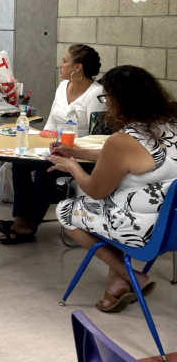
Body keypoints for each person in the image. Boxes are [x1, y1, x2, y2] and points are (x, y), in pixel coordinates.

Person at [48, 65, 177, 312]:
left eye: (106, 97)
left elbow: (96, 190)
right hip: (172, 226)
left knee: (67, 210)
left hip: (145, 231)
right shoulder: (169, 124)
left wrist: (72, 166)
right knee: (110, 209)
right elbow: (124, 157)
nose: (105, 103)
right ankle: (116, 284)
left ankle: (128, 274)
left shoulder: (123, 139)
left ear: (119, 99)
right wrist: (77, 152)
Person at [0, 44, 105, 244]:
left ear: (78, 67)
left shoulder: (96, 95)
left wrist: (67, 148)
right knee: (19, 161)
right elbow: (52, 123)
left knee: (46, 167)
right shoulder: (63, 86)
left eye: (64, 61)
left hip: (81, 154)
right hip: (57, 148)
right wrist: (43, 139)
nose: (60, 65)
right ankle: (21, 219)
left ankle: (31, 225)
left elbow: (96, 137)